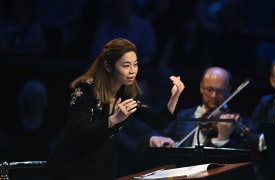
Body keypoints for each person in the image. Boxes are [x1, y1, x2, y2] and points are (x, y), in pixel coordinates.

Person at [45, 38, 185, 180]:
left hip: (102, 166)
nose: (132, 71)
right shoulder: (86, 89)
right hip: (71, 166)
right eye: (126, 65)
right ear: (108, 66)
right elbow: (79, 130)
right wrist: (113, 119)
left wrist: (174, 97)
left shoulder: (128, 94)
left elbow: (158, 122)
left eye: (135, 65)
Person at [142, 66, 249, 150]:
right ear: (201, 88)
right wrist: (156, 139)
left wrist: (223, 138)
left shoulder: (234, 123)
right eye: (209, 89)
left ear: (229, 91)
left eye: (220, 91)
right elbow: (152, 136)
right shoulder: (184, 115)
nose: (213, 96)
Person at [248, 55, 275, 180]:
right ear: (273, 81)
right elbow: (251, 135)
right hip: (271, 169)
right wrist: (269, 139)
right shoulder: (266, 103)